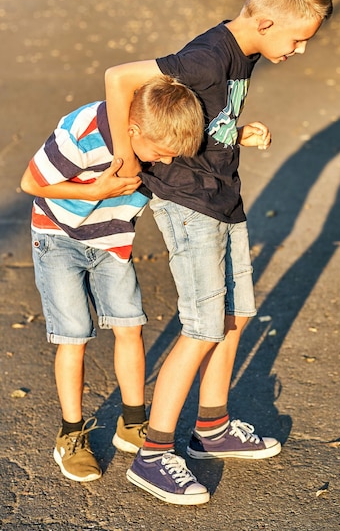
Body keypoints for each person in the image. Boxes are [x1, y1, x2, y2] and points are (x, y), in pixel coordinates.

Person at [104, 0, 334, 505]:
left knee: (237, 314)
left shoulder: (245, 51)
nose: (300, 52)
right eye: (299, 40)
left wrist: (234, 133)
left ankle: (212, 427)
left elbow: (207, 117)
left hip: (223, 195)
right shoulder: (207, 57)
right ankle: (153, 453)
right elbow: (121, 78)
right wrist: (124, 155)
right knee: (203, 325)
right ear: (269, 23)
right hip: (190, 204)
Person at [20, 75, 205, 483]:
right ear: (133, 131)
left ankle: (132, 423)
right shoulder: (83, 133)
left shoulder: (163, 132)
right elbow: (30, 182)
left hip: (113, 241)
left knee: (129, 325)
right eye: (161, 153)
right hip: (57, 235)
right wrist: (94, 191)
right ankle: (70, 435)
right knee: (74, 335)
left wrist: (241, 133)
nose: (168, 162)